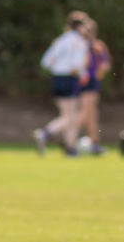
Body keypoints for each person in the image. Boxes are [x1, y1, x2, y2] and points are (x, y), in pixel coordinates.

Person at [35, 11, 91, 157]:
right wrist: (83, 74)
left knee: (67, 114)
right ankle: (46, 133)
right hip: (69, 78)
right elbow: (76, 64)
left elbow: (46, 62)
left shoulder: (60, 40)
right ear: (79, 27)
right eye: (85, 26)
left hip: (56, 78)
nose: (86, 29)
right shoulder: (79, 42)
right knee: (70, 116)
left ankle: (70, 148)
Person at [77, 18, 111, 155]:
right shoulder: (80, 46)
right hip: (81, 81)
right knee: (87, 111)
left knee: (92, 113)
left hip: (92, 82)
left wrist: (99, 72)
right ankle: (68, 135)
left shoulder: (98, 46)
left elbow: (105, 64)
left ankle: (95, 142)